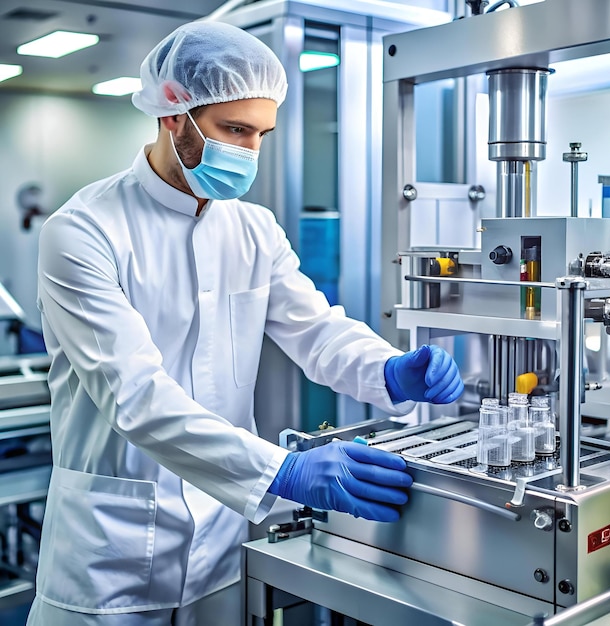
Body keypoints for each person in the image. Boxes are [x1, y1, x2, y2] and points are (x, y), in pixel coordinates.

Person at [26, 20, 464, 626]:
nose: (250, 152)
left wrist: (387, 368)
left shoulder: (253, 228)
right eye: (234, 130)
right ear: (173, 115)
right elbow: (134, 395)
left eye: (262, 133)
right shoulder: (82, 231)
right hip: (112, 550)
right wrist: (279, 470)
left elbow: (316, 331)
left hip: (223, 536)